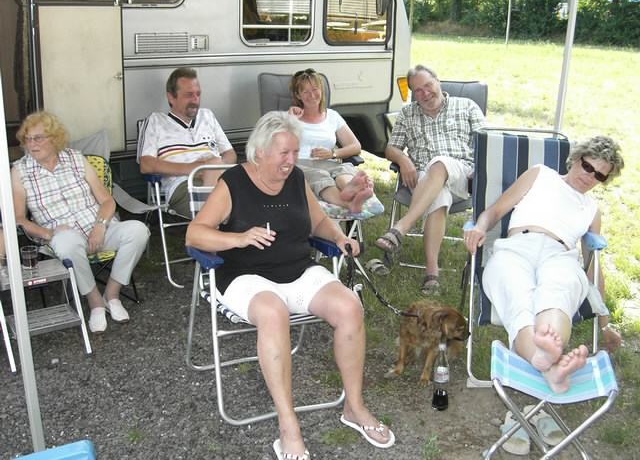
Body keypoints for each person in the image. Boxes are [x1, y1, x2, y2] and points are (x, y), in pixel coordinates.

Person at [185, 111, 395, 459]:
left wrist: (339, 237)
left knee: (350, 307)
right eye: (284, 153)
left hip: (296, 269)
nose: (291, 160)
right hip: (243, 275)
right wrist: (239, 238)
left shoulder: (297, 179)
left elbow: (319, 221)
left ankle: (354, 408)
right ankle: (288, 426)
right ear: (260, 151)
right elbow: (195, 234)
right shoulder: (233, 183)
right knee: (273, 312)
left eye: (295, 152)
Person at [464, 135, 623, 393]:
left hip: (560, 255)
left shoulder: (592, 210)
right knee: (517, 294)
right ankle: (549, 364)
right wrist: (480, 227)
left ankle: (547, 358)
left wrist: (604, 325)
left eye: (599, 175)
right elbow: (495, 210)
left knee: (560, 291)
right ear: (576, 159)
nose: (590, 176)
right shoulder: (541, 174)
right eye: (587, 166)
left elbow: (593, 267)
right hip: (516, 248)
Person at [11, 111, 150, 335]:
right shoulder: (20, 171)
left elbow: (107, 200)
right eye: (27, 139)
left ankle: (112, 295)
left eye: (38, 138)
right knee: (67, 243)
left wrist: (100, 226)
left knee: (139, 230)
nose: (31, 144)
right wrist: (47, 233)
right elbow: (18, 218)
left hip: (98, 229)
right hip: (61, 235)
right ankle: (95, 302)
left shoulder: (76, 159)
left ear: (55, 138)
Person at [375, 65, 487, 295]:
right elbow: (391, 148)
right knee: (439, 194)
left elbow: (488, 143)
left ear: (438, 81)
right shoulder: (408, 113)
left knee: (440, 163)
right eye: (418, 91)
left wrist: (480, 169)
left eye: (428, 86)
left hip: (463, 175)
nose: (425, 93)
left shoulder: (466, 106)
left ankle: (401, 227)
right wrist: (403, 160)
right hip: (424, 181)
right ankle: (432, 272)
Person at [138, 67, 237, 218]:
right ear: (171, 97)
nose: (195, 100)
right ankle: (212, 219)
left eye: (198, 94)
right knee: (235, 211)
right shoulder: (156, 121)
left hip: (220, 179)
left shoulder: (207, 116)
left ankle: (210, 220)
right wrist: (193, 169)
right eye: (189, 95)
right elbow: (146, 164)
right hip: (185, 185)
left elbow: (230, 154)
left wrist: (214, 167)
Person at [288, 68, 374, 213]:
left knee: (343, 169)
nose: (312, 95)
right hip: (301, 164)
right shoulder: (290, 117)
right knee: (319, 176)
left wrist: (333, 154)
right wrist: (290, 121)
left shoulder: (333, 116)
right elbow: (276, 148)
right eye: (305, 92)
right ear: (298, 95)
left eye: (315, 89)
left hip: (328, 162)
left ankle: (351, 188)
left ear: (321, 90)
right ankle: (349, 204)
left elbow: (355, 146)